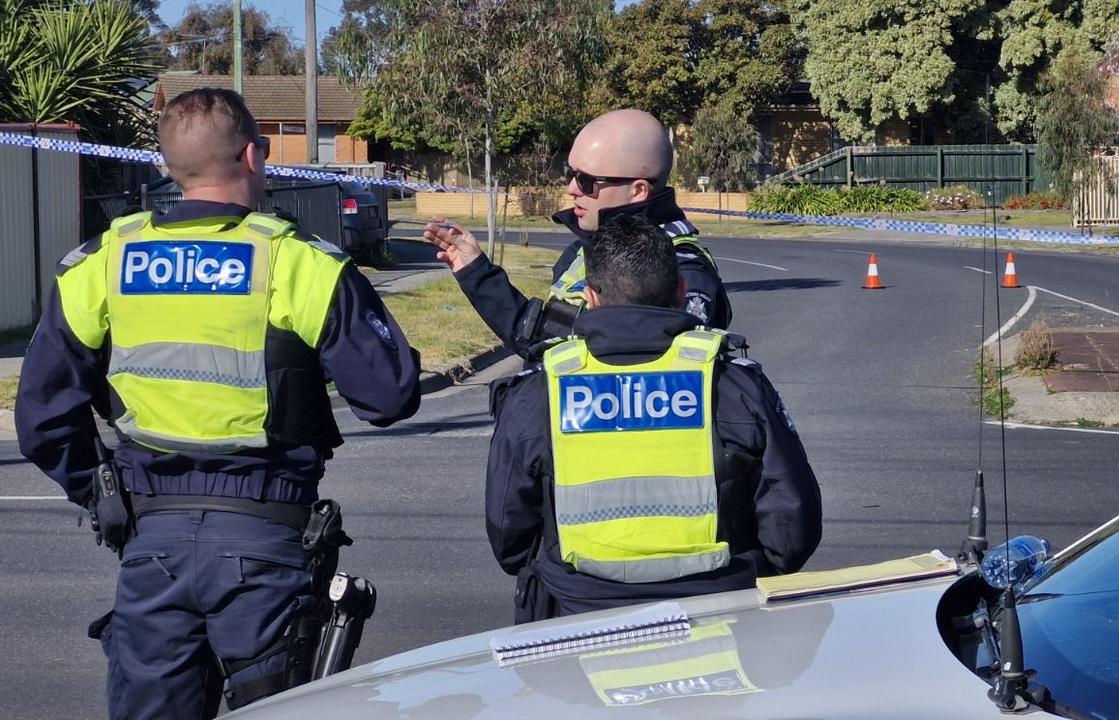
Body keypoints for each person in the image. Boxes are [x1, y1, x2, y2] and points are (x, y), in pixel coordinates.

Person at [15, 88, 421, 719]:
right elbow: (389, 396)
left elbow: (41, 418)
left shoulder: (101, 264)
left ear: (168, 166)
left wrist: (102, 494)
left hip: (151, 542)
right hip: (268, 542)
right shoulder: (299, 264)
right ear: (255, 157)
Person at [485, 215, 821, 622]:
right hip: (725, 616)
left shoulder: (544, 388)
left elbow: (509, 535)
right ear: (681, 292)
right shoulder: (730, 382)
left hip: (577, 618)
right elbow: (791, 527)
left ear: (590, 296)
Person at [425, 109, 731, 358]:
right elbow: (541, 342)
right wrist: (476, 271)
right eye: (570, 174)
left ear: (638, 189)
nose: (571, 189)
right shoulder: (582, 250)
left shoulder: (679, 267)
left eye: (586, 180)